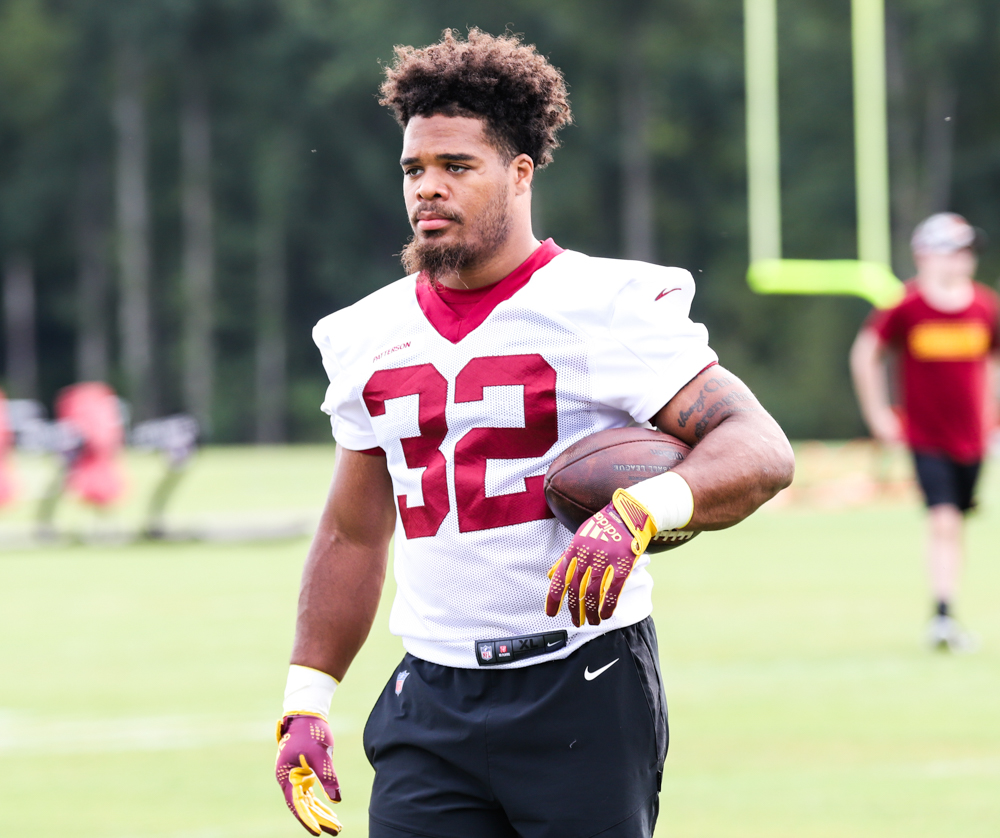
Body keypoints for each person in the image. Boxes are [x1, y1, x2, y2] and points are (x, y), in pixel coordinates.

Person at [274, 29, 795, 838]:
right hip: (431, 698)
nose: (427, 190)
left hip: (581, 683)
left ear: (520, 174)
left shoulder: (604, 304)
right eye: (414, 169)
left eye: (457, 167)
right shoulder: (363, 332)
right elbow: (352, 530)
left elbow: (760, 449)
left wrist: (640, 510)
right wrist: (306, 696)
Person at [851, 212, 999, 653]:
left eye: (967, 252)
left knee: (957, 522)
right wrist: (879, 414)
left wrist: (993, 415)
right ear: (925, 255)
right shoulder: (907, 306)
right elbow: (866, 354)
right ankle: (943, 615)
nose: (962, 260)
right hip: (926, 436)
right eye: (953, 250)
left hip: (973, 439)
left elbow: (993, 361)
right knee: (944, 520)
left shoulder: (984, 305)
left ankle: (947, 613)